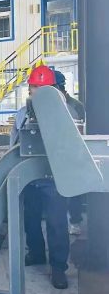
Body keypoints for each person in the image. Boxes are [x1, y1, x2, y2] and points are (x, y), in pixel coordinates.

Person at [9, 64, 80, 290]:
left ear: (53, 90)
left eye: (42, 88)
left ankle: (58, 268)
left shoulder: (68, 113)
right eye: (34, 87)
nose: (36, 92)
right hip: (30, 176)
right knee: (31, 218)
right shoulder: (22, 114)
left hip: (55, 176)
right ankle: (36, 253)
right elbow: (14, 144)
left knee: (56, 222)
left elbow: (75, 145)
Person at [51, 69, 86, 236]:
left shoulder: (75, 106)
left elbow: (80, 132)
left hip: (72, 154)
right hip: (56, 155)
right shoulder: (49, 106)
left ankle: (75, 221)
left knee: (74, 191)